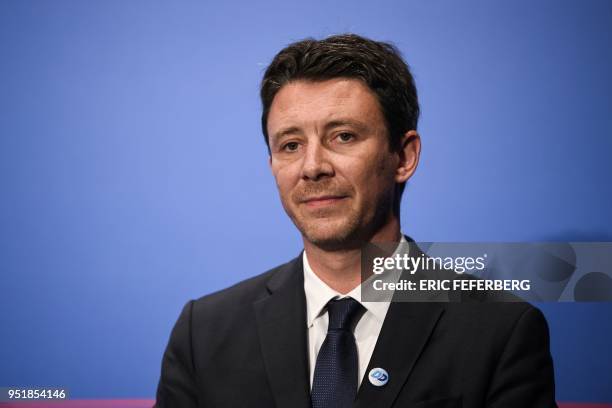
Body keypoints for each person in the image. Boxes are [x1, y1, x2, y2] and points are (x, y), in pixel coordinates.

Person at [155, 33, 557, 407]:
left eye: (343, 136)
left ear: (404, 156)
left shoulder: (498, 331)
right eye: (291, 145)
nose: (312, 168)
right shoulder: (203, 334)